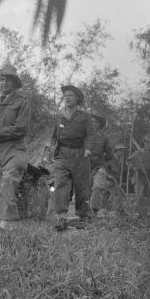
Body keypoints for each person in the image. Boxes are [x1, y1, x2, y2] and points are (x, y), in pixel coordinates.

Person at [0, 63, 31, 231]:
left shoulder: (22, 102)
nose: (4, 83)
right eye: (2, 79)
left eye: (9, 80)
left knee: (7, 183)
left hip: (15, 149)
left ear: (15, 83)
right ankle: (12, 225)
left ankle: (5, 225)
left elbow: (21, 128)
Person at [51, 84, 95, 230]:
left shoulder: (84, 116)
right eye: (66, 95)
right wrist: (51, 150)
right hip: (62, 154)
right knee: (60, 184)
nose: (67, 97)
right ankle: (61, 218)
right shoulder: (59, 117)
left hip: (80, 154)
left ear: (77, 98)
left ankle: (83, 217)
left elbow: (91, 134)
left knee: (81, 186)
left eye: (71, 95)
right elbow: (53, 137)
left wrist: (88, 149)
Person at [88, 113, 124, 215]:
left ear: (99, 125)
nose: (93, 124)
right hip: (84, 168)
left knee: (98, 186)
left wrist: (101, 159)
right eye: (91, 122)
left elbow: (109, 155)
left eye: (96, 122)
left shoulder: (104, 138)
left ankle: (94, 211)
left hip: (98, 167)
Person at [128, 133, 150, 198]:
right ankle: (137, 206)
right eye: (148, 143)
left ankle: (145, 208)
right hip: (139, 177)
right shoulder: (138, 153)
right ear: (145, 143)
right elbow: (129, 161)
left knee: (147, 196)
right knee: (140, 195)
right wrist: (134, 167)